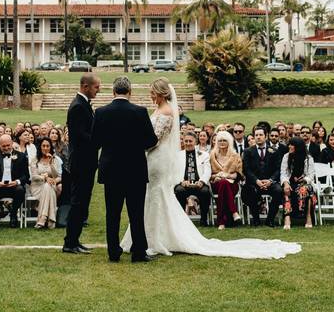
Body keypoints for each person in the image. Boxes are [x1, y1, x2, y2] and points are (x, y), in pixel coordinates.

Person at [121, 78, 300, 259]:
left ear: (160, 93)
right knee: (153, 196)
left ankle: (156, 239)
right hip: (154, 157)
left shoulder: (166, 111)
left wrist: (134, 144)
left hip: (157, 159)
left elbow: (155, 139)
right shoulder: (160, 109)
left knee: (156, 195)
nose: (150, 95)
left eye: (152, 92)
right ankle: (150, 237)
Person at [96, 77, 158, 263]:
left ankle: (113, 252)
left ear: (113, 92)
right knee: (136, 213)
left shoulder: (101, 112)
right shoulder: (140, 112)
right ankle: (138, 252)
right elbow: (151, 140)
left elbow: (95, 141)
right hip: (135, 169)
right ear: (130, 92)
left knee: (112, 213)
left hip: (111, 170)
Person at [62, 73, 100, 255]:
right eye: (96, 87)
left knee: (82, 202)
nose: (98, 90)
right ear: (86, 86)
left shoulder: (83, 104)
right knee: (78, 202)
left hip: (86, 161)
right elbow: (80, 136)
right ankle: (70, 242)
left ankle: (75, 239)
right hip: (81, 162)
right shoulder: (78, 106)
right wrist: (100, 139)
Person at [242, 127, 284, 227]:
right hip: (254, 183)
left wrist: (270, 180)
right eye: (256, 135)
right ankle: (256, 219)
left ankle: (270, 219)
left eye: (261, 135)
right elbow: (246, 170)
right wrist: (257, 181)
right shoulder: (248, 151)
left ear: (266, 136)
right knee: (249, 191)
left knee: (278, 191)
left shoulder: (274, 151)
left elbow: (278, 169)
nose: (258, 137)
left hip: (270, 182)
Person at [0, 134, 29, 227]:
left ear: (12, 143)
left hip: (14, 187)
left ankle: (13, 215)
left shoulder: (21, 156)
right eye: (3, 146)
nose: (6, 148)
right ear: (0, 145)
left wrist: (16, 182)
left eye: (8, 145)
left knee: (20, 190)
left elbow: (26, 175)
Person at [175, 133, 212, 226]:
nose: (188, 143)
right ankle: (182, 220)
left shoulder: (204, 155)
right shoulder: (178, 155)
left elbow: (208, 171)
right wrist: (181, 181)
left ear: (195, 142)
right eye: (186, 141)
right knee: (179, 191)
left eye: (190, 141)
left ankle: (203, 219)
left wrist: (202, 181)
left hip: (199, 183)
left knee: (205, 192)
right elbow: (174, 172)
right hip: (184, 184)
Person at [209, 131, 243, 230]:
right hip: (216, 183)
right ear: (216, 142)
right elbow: (209, 174)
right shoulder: (212, 155)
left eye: (224, 141)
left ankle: (221, 222)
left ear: (229, 142)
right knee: (223, 183)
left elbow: (238, 174)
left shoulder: (235, 156)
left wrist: (227, 175)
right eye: (220, 141)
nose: (222, 143)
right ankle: (234, 212)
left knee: (224, 184)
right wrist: (217, 176)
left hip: (232, 185)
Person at [280, 137, 316, 229]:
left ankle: (308, 217)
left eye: (292, 145)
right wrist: (286, 183)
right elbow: (283, 173)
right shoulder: (286, 156)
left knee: (305, 189)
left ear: (298, 147)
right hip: (290, 182)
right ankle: (287, 218)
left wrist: (304, 180)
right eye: (289, 144)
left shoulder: (308, 158)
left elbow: (311, 175)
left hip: (305, 183)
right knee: (286, 190)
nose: (289, 146)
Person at [29, 137, 62, 229]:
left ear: (50, 147)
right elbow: (34, 176)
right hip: (37, 186)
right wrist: (45, 177)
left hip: (51, 186)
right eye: (43, 146)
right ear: (40, 147)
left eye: (48, 146)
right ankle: (50, 220)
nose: (45, 148)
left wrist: (51, 163)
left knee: (48, 186)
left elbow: (58, 176)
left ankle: (42, 218)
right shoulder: (35, 160)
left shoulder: (55, 159)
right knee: (47, 186)